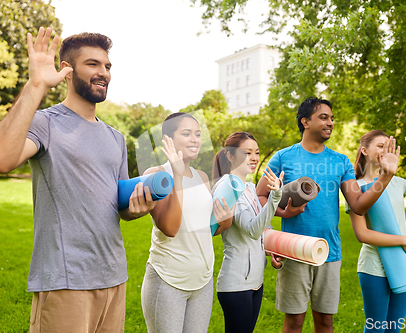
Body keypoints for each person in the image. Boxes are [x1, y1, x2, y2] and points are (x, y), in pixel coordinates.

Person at [0, 28, 155, 332]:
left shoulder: (116, 138)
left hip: (114, 277)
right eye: (93, 64)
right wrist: (35, 85)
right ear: (67, 71)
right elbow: (4, 159)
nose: (104, 73)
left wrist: (134, 209)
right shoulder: (45, 122)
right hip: (65, 280)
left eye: (107, 66)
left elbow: (118, 205)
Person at [255, 97, 400, 333]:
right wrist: (281, 216)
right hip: (294, 251)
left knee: (325, 322)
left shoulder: (340, 161)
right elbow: (260, 196)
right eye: (324, 117)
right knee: (294, 322)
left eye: (332, 118)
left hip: (329, 252)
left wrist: (385, 176)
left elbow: (358, 205)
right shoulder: (283, 157)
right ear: (305, 121)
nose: (330, 122)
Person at [141, 112, 233, 333]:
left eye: (198, 134)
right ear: (168, 140)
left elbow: (208, 230)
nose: (195, 139)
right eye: (187, 133)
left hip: (202, 280)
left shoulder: (202, 177)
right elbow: (170, 228)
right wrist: (178, 175)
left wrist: (226, 218)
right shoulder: (154, 175)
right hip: (167, 280)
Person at [346, 130, 406, 333]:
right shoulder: (355, 188)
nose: (384, 150)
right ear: (364, 150)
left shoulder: (397, 182)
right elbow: (362, 234)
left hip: (402, 261)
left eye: (388, 146)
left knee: (393, 329)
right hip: (374, 266)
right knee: (376, 329)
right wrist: (402, 240)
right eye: (380, 146)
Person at [212, 132, 285, 333]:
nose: (254, 158)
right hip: (236, 284)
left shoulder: (250, 187)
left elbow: (261, 230)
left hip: (255, 281)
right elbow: (252, 229)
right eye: (247, 152)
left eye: (257, 153)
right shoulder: (227, 186)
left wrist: (273, 250)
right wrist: (275, 196)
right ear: (230, 155)